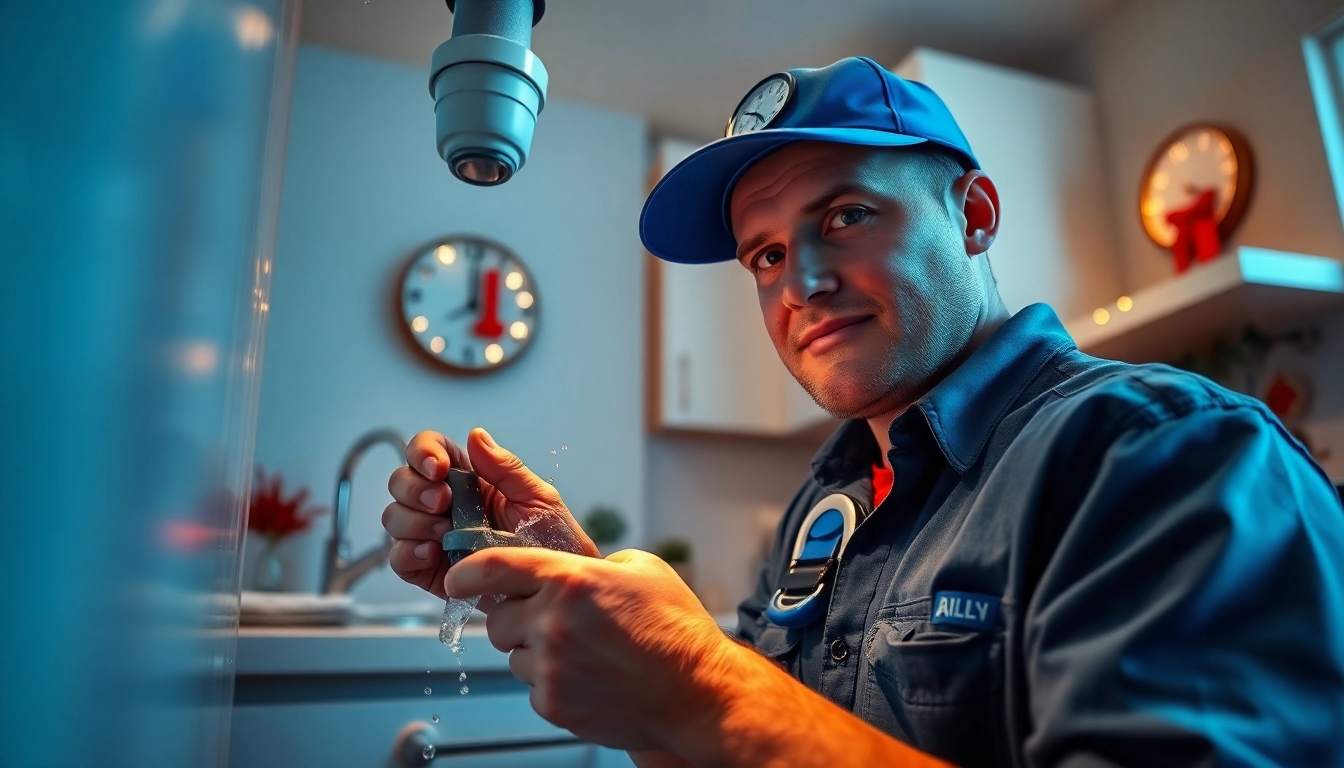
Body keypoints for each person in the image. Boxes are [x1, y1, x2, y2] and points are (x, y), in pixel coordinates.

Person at [381, 57, 1344, 767]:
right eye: (762, 254)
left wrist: (706, 687)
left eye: (845, 216)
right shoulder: (827, 502)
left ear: (972, 215)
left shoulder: (1167, 455)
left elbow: (731, 712)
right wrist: (598, 606)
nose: (799, 281)